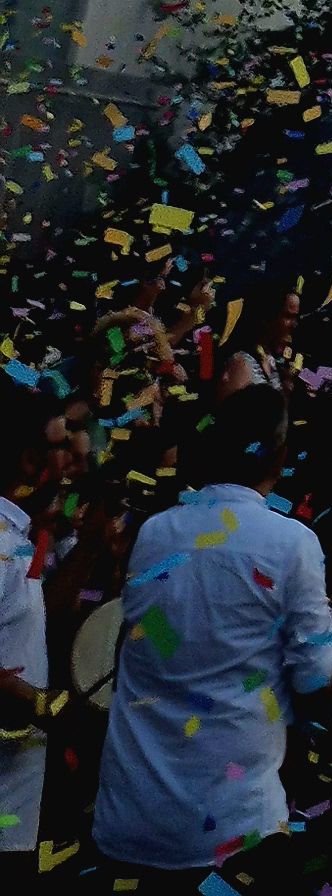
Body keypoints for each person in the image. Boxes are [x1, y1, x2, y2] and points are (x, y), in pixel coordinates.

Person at [89, 385, 332, 885]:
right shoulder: (292, 543)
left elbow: (151, 638)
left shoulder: (155, 532)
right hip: (234, 829)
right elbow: (316, 675)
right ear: (281, 456)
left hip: (131, 817)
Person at [0, 379, 70, 889]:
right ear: (29, 461)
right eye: (59, 447)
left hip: (12, 813)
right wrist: (48, 708)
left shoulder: (18, 539)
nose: (69, 461)